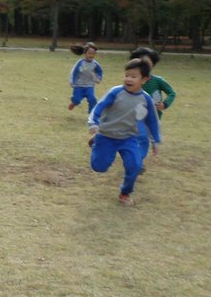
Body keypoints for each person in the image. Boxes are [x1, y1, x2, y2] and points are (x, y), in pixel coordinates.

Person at [87, 57, 161, 205]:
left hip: (128, 138)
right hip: (106, 136)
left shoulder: (145, 99)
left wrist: (156, 140)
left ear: (144, 79)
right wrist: (93, 122)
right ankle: (96, 141)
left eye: (133, 76)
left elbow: (152, 120)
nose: (128, 79)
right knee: (99, 167)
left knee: (135, 165)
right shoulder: (115, 92)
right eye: (127, 75)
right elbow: (98, 107)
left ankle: (125, 193)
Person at [130, 46, 176, 165]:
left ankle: (153, 145)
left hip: (154, 117)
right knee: (141, 137)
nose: (145, 65)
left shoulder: (158, 81)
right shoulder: (133, 80)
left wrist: (165, 104)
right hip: (137, 116)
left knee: (153, 137)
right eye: (141, 62)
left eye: (148, 62)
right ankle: (138, 161)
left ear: (152, 64)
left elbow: (172, 93)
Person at [68, 42, 103, 113]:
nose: (91, 55)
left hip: (89, 86)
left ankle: (91, 114)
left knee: (92, 99)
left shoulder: (95, 64)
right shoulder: (80, 63)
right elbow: (74, 72)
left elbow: (100, 71)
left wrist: (98, 78)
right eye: (89, 53)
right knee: (77, 99)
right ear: (85, 53)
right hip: (78, 85)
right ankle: (74, 102)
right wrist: (72, 81)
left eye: (93, 54)